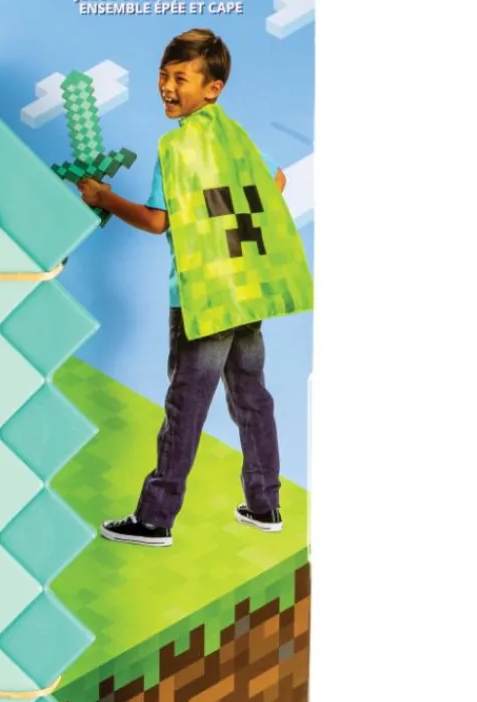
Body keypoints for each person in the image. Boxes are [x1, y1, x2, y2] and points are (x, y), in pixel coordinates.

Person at [78, 28, 308, 547]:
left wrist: (104, 198)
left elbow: (157, 222)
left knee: (186, 404)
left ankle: (155, 518)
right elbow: (276, 183)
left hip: (201, 297)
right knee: (251, 397)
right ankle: (265, 505)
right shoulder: (236, 139)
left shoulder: (177, 148)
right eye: (163, 75)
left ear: (212, 88)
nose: (166, 86)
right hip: (245, 290)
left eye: (180, 78)